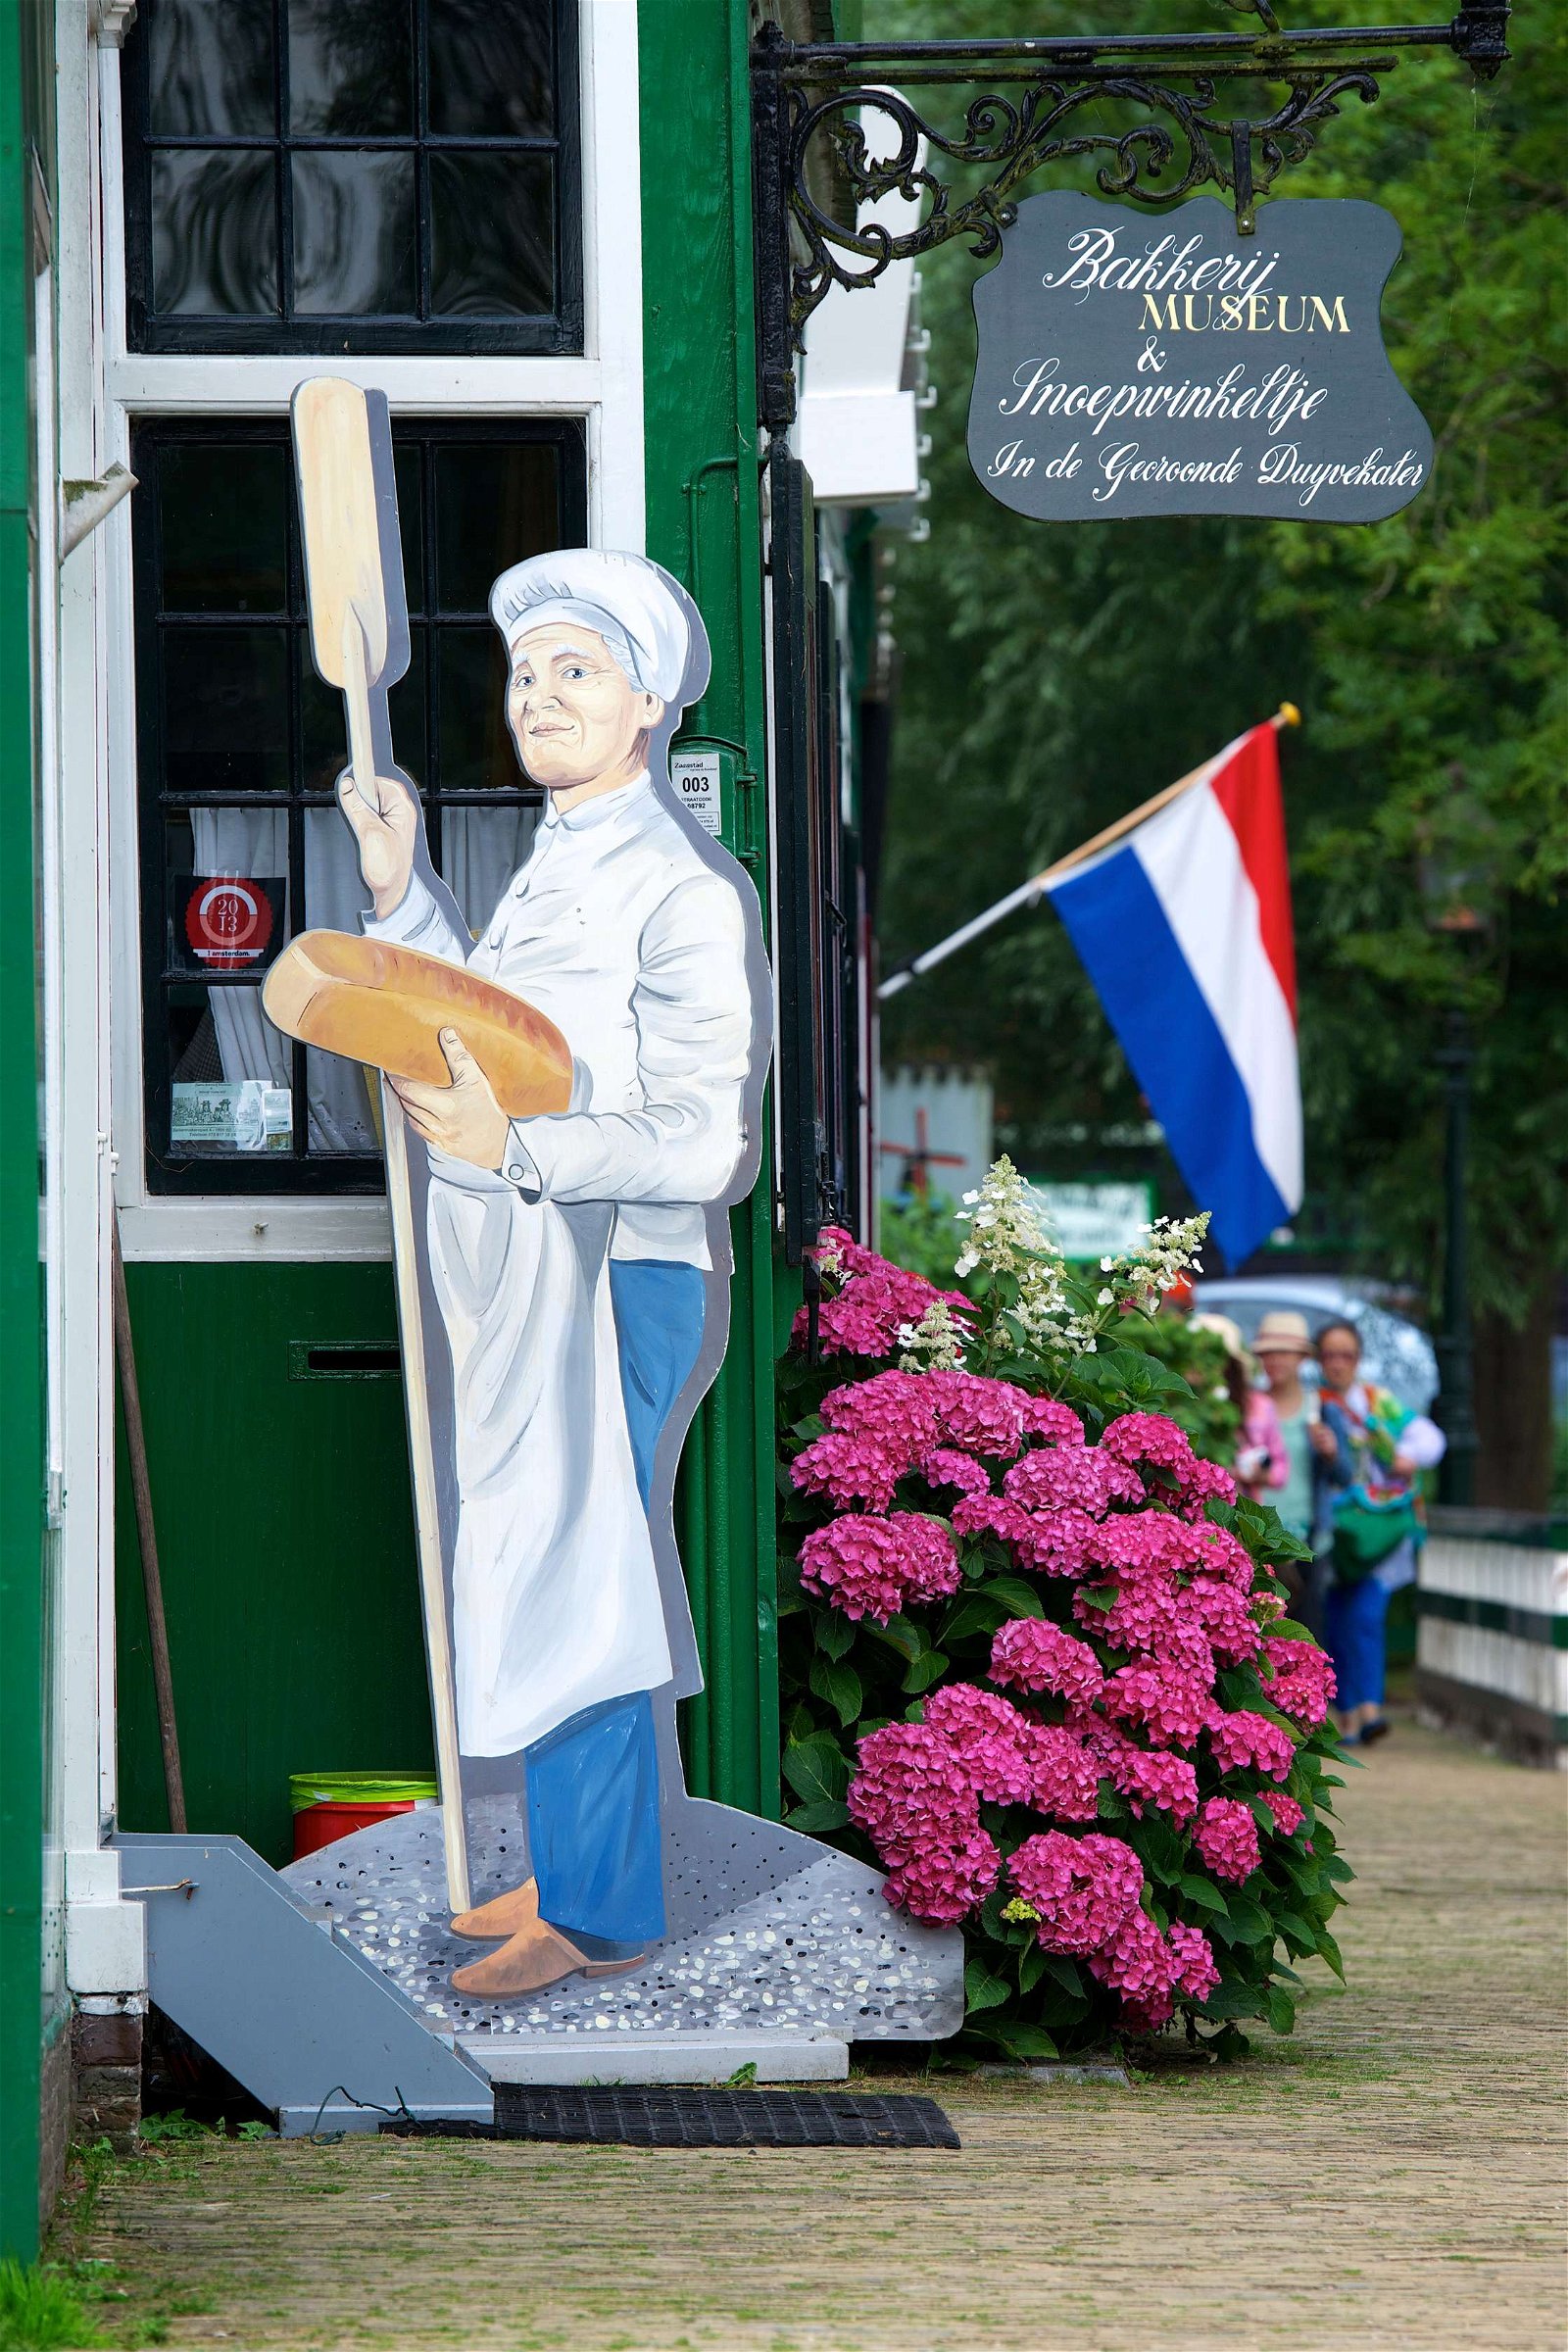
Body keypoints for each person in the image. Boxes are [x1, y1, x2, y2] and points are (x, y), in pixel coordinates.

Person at [336, 550, 764, 1998]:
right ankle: (576, 1871)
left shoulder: (680, 889)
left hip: (615, 1273)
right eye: (526, 674)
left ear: (646, 702)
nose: (541, 697)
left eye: (575, 672)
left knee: (584, 1577)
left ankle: (601, 1912)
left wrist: (518, 1150)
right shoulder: (553, 861)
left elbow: (705, 1138)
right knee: (537, 1561)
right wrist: (400, 897)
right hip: (520, 1272)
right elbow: (478, 1028)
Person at [1316, 1317, 1446, 1747]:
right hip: (1331, 1532)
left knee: (1365, 1618)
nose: (1337, 1363)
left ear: (1358, 1359)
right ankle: (1348, 1715)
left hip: (1376, 1533)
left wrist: (1406, 1454)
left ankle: (1368, 1710)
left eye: (1346, 1355)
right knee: (1336, 1622)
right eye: (1329, 1355)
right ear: (1319, 1359)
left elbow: (1429, 1437)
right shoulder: (1312, 1405)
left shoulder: (1376, 1402)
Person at [1189, 1312, 1287, 1503]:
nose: (1209, 1365)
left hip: (1241, 1510)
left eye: (1217, 1356)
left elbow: (1281, 1470)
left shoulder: (1259, 1406)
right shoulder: (1184, 1404)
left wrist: (1260, 1474)